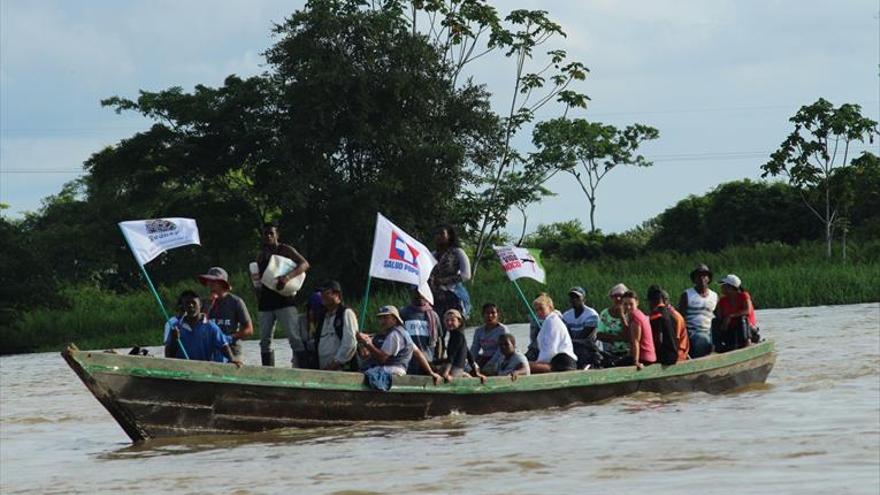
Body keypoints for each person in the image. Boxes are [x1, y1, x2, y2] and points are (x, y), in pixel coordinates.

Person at [254, 223, 310, 367]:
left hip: (285, 300)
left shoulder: (285, 249)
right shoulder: (260, 255)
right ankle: (269, 373)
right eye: (265, 233)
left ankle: (303, 371)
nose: (268, 236)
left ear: (277, 235)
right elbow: (258, 279)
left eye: (271, 233)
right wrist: (257, 292)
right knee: (265, 340)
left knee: (294, 337)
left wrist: (287, 277)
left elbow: (304, 264)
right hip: (265, 302)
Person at [357, 306, 440, 381]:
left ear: (394, 319)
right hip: (398, 371)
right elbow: (418, 353)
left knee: (362, 374)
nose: (382, 321)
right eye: (380, 318)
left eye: (386, 318)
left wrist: (367, 343)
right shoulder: (403, 333)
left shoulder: (394, 335)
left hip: (391, 370)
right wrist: (430, 372)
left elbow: (382, 358)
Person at [163, 290, 242, 367]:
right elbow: (168, 357)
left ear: (200, 305)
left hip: (203, 368)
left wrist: (232, 359)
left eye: (193, 303)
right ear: (183, 306)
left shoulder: (210, 326)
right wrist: (174, 340)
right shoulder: (176, 327)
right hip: (182, 369)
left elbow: (224, 345)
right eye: (187, 303)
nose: (190, 306)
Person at [197, 266, 253, 361]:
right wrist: (208, 307)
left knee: (235, 367)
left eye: (213, 281)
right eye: (209, 281)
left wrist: (230, 338)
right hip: (211, 348)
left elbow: (249, 330)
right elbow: (200, 325)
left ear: (222, 284)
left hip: (232, 348)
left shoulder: (236, 302)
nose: (210, 284)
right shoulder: (204, 302)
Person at [429, 224, 472, 342]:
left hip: (454, 294)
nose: (439, 237)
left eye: (442, 234)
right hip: (437, 296)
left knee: (456, 329)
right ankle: (439, 356)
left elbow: (466, 275)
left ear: (449, 236)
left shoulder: (457, 252)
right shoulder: (432, 254)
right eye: (437, 234)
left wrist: (443, 280)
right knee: (437, 329)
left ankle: (460, 356)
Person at [677, 263, 718, 358]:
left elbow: (718, 316)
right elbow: (680, 318)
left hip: (709, 332)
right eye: (698, 276)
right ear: (694, 279)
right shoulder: (687, 295)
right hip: (693, 332)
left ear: (708, 279)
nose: (701, 278)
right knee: (702, 339)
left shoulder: (714, 296)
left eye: (704, 275)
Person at [529, 294, 577, 373]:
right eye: (536, 310)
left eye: (541, 309)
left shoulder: (552, 322)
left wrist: (538, 363)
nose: (539, 312)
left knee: (525, 366)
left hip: (563, 364)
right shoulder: (547, 322)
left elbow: (551, 349)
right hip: (554, 362)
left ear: (550, 308)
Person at [315, 281, 358, 371]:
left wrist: (336, 363)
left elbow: (350, 343)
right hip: (323, 369)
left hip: (341, 369)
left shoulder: (346, 313)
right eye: (321, 293)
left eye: (327, 293)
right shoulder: (322, 316)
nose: (323, 296)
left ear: (337, 294)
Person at [400, 289, 442, 375]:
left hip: (428, 360)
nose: (420, 298)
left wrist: (438, 358)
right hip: (408, 360)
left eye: (423, 296)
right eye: (417, 296)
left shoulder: (433, 315)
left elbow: (439, 340)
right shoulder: (404, 312)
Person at [437, 309, 484, 382]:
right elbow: (468, 354)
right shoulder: (457, 334)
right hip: (457, 368)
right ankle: (464, 375)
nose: (449, 322)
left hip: (455, 369)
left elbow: (452, 356)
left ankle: (463, 375)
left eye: (452, 320)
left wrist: (446, 373)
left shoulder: (458, 336)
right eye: (447, 320)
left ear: (459, 322)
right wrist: (476, 371)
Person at [714, 274, 757, 352]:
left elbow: (747, 311)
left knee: (742, 318)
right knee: (715, 321)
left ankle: (747, 342)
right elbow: (719, 315)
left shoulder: (744, 296)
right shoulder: (723, 300)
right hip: (730, 327)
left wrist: (730, 316)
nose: (721, 288)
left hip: (746, 328)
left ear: (731, 288)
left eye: (724, 286)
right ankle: (717, 346)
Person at [561, 286, 601, 369]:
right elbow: (566, 334)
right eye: (572, 297)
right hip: (572, 347)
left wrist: (570, 342)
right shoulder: (566, 316)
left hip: (588, 349)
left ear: (584, 299)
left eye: (577, 297)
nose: (574, 299)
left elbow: (586, 338)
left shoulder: (591, 315)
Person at [619, 290, 656, 369]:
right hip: (650, 356)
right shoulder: (640, 314)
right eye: (625, 304)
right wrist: (622, 316)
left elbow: (636, 341)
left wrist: (636, 361)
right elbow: (628, 336)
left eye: (631, 304)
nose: (628, 307)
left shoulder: (634, 316)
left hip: (644, 358)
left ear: (637, 303)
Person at [646, 285, 681, 365]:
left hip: (665, 358)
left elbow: (658, 340)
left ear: (651, 301)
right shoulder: (672, 315)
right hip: (674, 355)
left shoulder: (656, 316)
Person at [288, 290, 323, 368]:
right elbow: (293, 341)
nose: (312, 312)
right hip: (301, 360)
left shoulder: (327, 320)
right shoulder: (299, 320)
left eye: (316, 309)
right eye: (310, 308)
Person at [596, 283, 631, 361]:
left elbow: (628, 337)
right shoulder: (605, 313)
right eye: (615, 296)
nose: (618, 298)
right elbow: (599, 335)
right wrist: (617, 337)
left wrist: (621, 315)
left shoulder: (630, 313)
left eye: (621, 296)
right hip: (609, 353)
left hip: (628, 353)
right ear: (611, 298)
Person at [470, 303, 509, 368]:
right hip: (485, 357)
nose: (490, 315)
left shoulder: (502, 330)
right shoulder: (478, 331)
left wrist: (490, 363)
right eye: (487, 313)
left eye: (493, 313)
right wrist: (470, 361)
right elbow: (474, 348)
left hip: (499, 358)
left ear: (498, 315)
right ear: (483, 315)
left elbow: (501, 350)